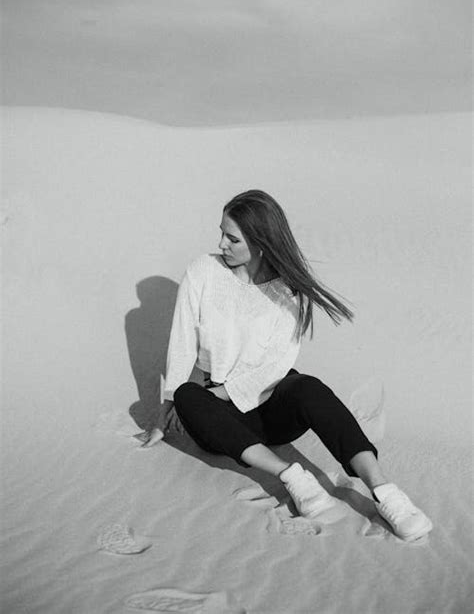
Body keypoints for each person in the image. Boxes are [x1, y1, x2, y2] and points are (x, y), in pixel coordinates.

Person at [143, 189, 432, 542]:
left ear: (261, 243)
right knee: (189, 394)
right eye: (221, 233)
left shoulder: (286, 292)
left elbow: (279, 364)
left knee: (307, 386)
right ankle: (293, 477)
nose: (221, 243)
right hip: (221, 422)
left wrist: (226, 392)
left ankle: (385, 492)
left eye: (232, 238)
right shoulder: (202, 272)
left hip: (267, 410)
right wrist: (168, 405)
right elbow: (183, 341)